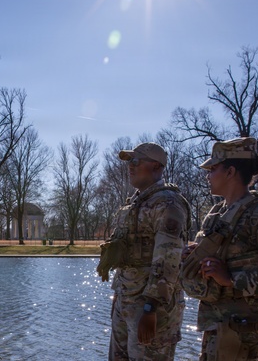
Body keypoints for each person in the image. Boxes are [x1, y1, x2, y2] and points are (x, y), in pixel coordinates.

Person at [181, 137, 258, 361]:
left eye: (213, 169)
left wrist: (231, 279)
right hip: (218, 324)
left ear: (230, 172)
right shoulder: (218, 213)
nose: (208, 176)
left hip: (246, 329)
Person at [97, 142, 191, 361]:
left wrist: (151, 306)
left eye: (136, 161)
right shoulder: (133, 205)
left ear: (156, 167)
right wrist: (117, 296)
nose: (130, 166)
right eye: (129, 162)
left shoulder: (168, 203)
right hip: (126, 301)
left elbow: (169, 259)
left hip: (151, 308)